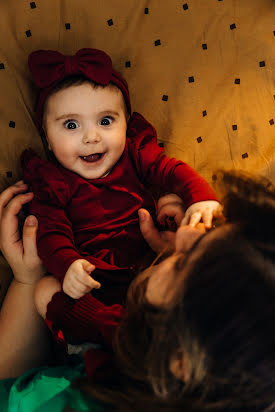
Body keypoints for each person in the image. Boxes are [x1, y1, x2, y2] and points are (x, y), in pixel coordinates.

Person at [1, 170, 275, 412]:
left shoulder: (56, 402)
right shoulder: (218, 372)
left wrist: (25, 279)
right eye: (218, 226)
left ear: (182, 359)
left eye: (185, 264)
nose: (185, 233)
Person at [21, 48, 221, 344]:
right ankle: (116, 336)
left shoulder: (135, 153)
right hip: (92, 283)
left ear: (126, 123)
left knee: (195, 267)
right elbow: (50, 234)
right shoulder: (52, 183)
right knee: (44, 290)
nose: (92, 137)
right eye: (71, 125)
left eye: (106, 121)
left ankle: (156, 334)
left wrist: (200, 197)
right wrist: (68, 266)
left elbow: (170, 170)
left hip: (148, 266)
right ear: (47, 138)